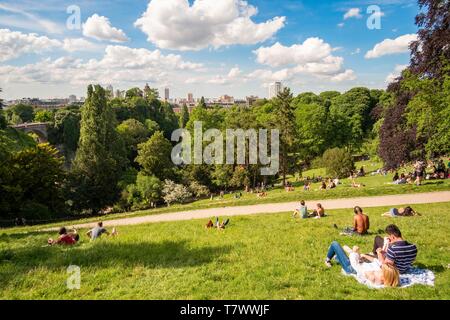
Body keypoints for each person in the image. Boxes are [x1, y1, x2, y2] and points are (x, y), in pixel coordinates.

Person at [324, 241, 400, 287]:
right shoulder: (383, 272)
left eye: (384, 267)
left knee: (335, 244)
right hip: (361, 263)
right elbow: (376, 261)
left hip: (351, 267)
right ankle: (338, 256)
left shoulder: (373, 277)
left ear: (386, 274)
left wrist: (354, 253)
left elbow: (356, 267)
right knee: (342, 256)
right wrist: (364, 256)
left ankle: (327, 260)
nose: (383, 265)